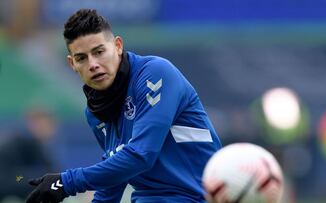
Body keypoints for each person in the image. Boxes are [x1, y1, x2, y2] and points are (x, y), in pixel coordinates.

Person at [25, 8, 222, 203]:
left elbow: (141, 155)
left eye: (99, 52)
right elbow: (114, 181)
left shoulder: (155, 73)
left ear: (118, 46)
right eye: (82, 58)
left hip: (196, 198)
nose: (93, 64)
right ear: (72, 64)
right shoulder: (95, 112)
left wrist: (66, 182)